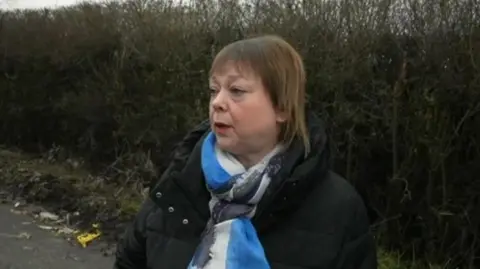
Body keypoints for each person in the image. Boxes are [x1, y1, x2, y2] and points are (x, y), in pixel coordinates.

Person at [114, 34, 377, 269]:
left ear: (282, 108)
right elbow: (129, 261)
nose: (217, 103)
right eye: (214, 90)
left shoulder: (339, 208)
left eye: (236, 90)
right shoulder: (180, 181)